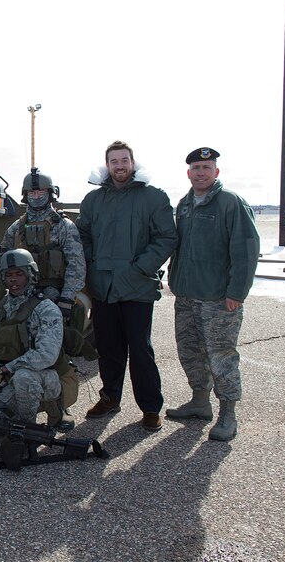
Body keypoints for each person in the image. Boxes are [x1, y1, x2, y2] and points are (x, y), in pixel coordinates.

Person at [76, 140, 177, 431]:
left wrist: (141, 267)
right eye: (114, 161)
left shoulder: (152, 197)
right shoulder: (94, 200)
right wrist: (93, 264)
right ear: (106, 165)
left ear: (132, 163)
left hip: (137, 286)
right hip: (104, 287)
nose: (119, 166)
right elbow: (83, 234)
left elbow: (166, 237)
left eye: (124, 160)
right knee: (108, 348)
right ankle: (110, 398)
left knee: (140, 349)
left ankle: (150, 407)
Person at [166, 147, 259, 441]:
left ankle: (228, 413)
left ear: (216, 172)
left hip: (219, 298)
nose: (201, 173)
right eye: (196, 168)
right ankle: (200, 401)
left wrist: (237, 292)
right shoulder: (185, 204)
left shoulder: (230, 203)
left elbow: (246, 250)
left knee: (221, 356)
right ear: (189, 173)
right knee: (190, 352)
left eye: (206, 167)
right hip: (186, 296)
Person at [3, 167, 86, 429]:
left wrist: (66, 299)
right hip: (22, 300)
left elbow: (76, 265)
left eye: (40, 191)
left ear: (51, 193)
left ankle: (58, 410)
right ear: (24, 195)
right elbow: (4, 260)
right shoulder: (16, 228)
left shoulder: (63, 226)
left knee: (56, 357)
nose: (36, 195)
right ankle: (17, 405)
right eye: (31, 191)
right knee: (19, 351)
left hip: (54, 298)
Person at [0, 250, 64, 424]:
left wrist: (5, 369)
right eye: (8, 275)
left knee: (24, 378)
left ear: (30, 274)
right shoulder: (3, 307)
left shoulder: (46, 309)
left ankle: (28, 427)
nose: (13, 279)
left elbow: (46, 355)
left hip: (45, 376)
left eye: (19, 274)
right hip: (10, 375)